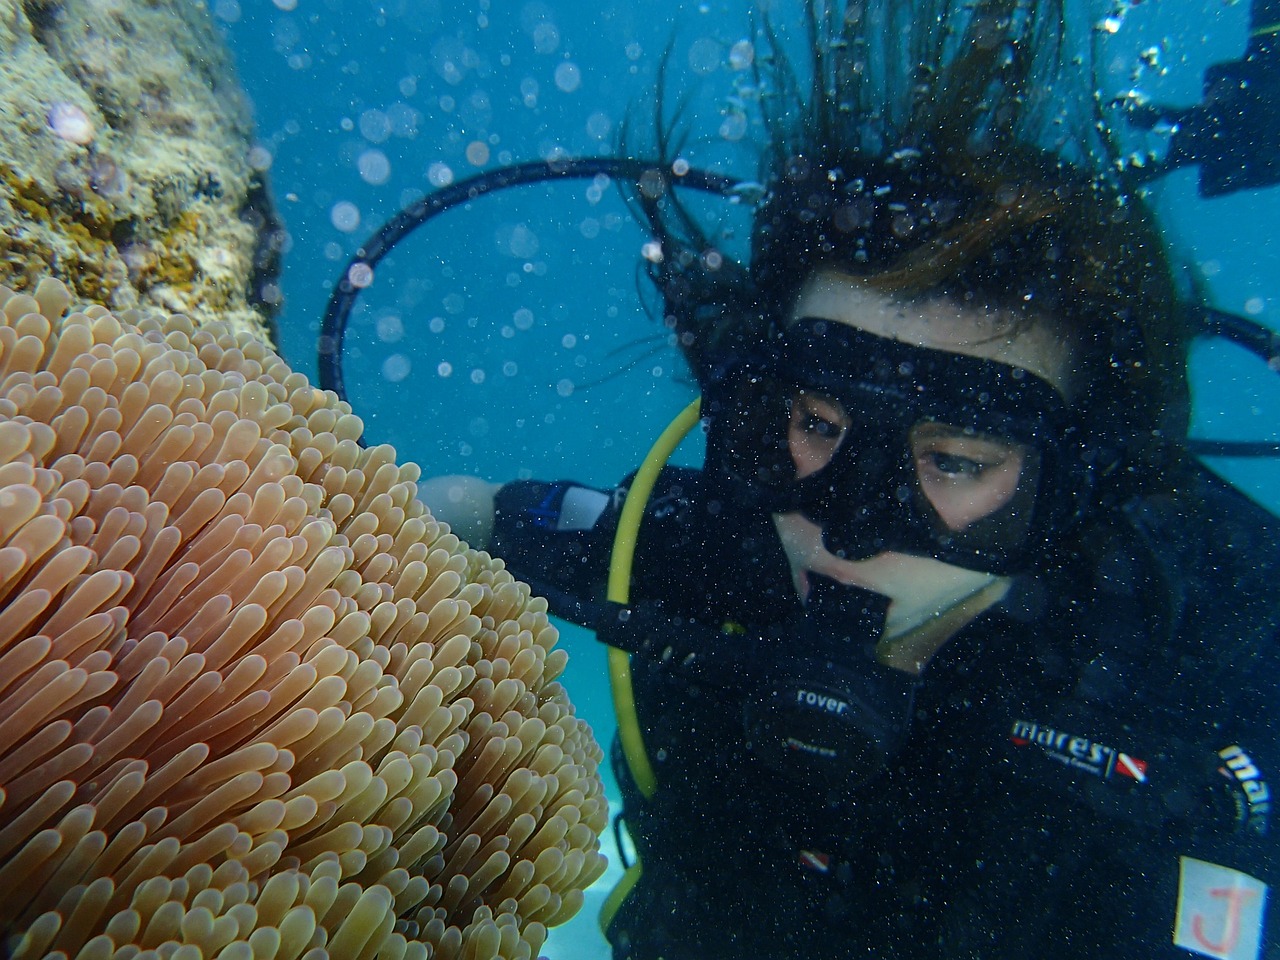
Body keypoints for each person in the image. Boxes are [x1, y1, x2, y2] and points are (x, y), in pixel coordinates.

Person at [421, 1, 1280, 956]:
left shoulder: (1222, 647)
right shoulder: (682, 554)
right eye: (818, 423)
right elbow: (453, 510)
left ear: (1073, 487)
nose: (850, 527)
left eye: (954, 460)